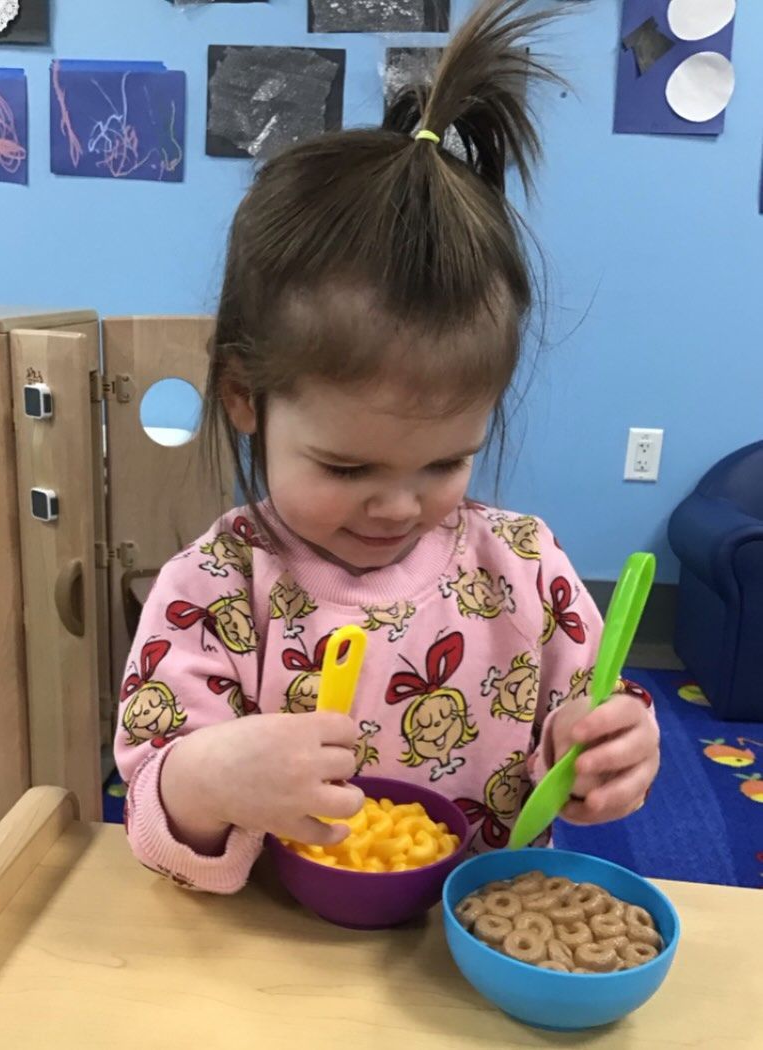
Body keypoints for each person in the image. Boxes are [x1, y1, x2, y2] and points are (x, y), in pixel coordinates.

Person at [115, 0, 659, 893]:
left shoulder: (522, 571)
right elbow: (151, 807)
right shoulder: (213, 592)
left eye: (445, 462)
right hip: (269, 962)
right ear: (246, 398)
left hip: (471, 957)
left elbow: (591, 708)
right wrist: (205, 778)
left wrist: (612, 747)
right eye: (347, 466)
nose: (401, 505)